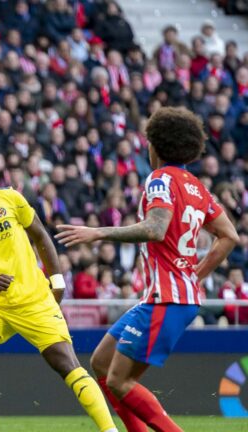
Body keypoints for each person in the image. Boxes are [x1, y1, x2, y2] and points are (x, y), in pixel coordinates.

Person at [56, 107, 238, 432]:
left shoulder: (159, 179)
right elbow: (229, 236)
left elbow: (155, 228)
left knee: (120, 381)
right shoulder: (196, 186)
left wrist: (99, 232)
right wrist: (195, 275)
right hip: (168, 296)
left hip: (165, 299)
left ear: (155, 145)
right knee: (101, 362)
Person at [0, 151, 118, 432]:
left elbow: (41, 235)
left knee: (65, 363)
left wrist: (57, 281)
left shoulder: (8, 198)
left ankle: (109, 430)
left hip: (34, 300)